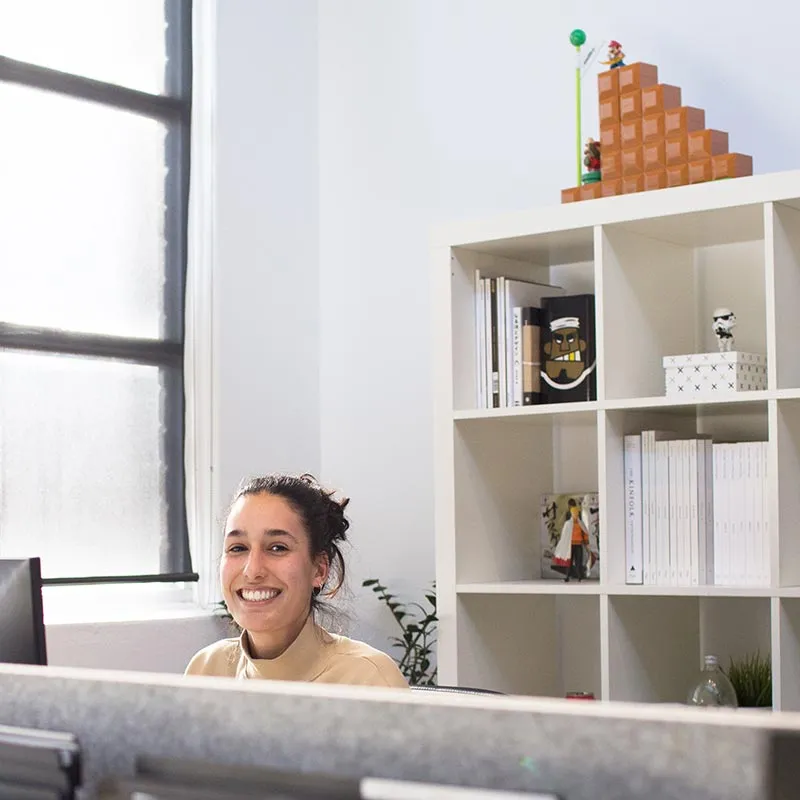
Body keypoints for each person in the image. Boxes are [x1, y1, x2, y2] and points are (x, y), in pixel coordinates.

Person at [185, 473, 409, 688]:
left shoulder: (370, 680)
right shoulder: (206, 670)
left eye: (277, 548)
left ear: (320, 570)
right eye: (238, 548)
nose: (252, 571)